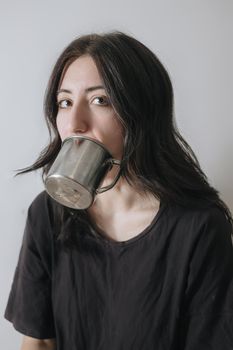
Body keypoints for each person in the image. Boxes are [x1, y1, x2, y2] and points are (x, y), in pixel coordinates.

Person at [4, 31, 233, 350]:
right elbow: (39, 342)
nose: (75, 123)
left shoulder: (199, 227)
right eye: (65, 102)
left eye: (100, 100)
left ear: (140, 112)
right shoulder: (46, 213)